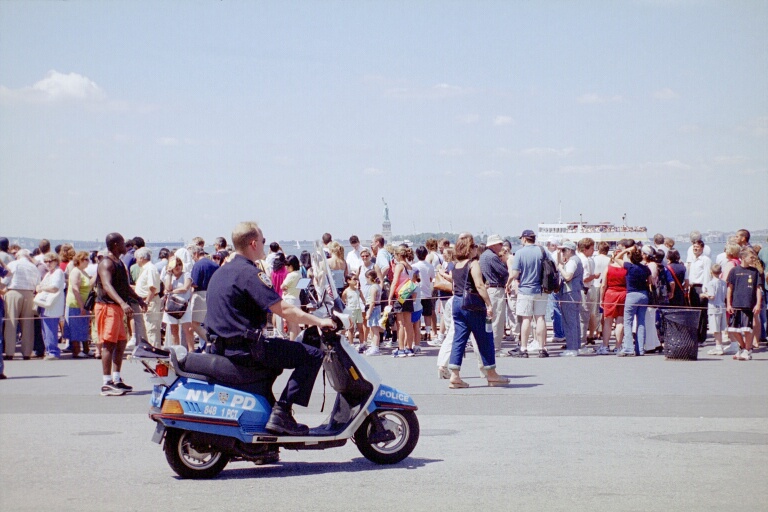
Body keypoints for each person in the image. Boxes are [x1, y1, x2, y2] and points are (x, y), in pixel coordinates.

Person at [205, 221, 334, 436]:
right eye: (263, 240)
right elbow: (283, 309)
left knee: (282, 353)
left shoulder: (221, 272)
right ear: (254, 243)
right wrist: (320, 322)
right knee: (312, 355)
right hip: (245, 350)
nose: (264, 244)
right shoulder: (249, 273)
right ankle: (282, 413)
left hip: (222, 347)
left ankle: (268, 415)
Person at [446, 233, 508, 388]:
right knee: (485, 337)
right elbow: (479, 285)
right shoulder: (473, 264)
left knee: (459, 339)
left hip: (457, 302)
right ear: (470, 248)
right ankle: (491, 374)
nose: (475, 249)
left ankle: (455, 375)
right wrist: (488, 304)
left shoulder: (456, 265)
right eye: (474, 246)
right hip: (472, 304)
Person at [95, 233, 146, 396]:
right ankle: (106, 382)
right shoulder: (106, 262)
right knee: (109, 343)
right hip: (107, 306)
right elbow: (107, 285)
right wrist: (123, 303)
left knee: (121, 342)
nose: (126, 245)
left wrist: (138, 299)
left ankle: (116, 379)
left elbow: (124, 286)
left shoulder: (119, 262)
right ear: (116, 244)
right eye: (123, 242)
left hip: (117, 307)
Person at [509, 229, 549, 358]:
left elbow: (515, 273)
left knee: (526, 319)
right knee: (540, 318)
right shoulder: (542, 251)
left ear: (524, 239)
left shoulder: (520, 253)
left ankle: (524, 348)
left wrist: (509, 281)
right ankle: (542, 348)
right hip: (541, 289)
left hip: (525, 290)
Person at [726, 249, 763, 361]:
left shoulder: (755, 272)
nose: (753, 259)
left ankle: (747, 350)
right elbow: (729, 288)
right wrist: (728, 304)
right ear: (743, 257)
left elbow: (758, 289)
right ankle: (743, 347)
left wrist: (758, 304)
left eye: (753, 257)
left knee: (747, 329)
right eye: (751, 257)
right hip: (736, 303)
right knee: (733, 329)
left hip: (748, 304)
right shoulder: (734, 271)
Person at [3, 249, 40, 359]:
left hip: (13, 292)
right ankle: (27, 353)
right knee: (28, 324)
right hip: (29, 294)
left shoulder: (13, 264)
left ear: (18, 255)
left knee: (11, 323)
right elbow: (37, 283)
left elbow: (5, 280)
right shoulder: (34, 267)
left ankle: (9, 352)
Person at [617, 246, 652, 356]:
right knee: (641, 322)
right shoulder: (646, 268)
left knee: (628, 322)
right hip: (643, 295)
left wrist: (625, 250)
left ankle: (628, 348)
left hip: (632, 294)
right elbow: (650, 282)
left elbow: (616, 258)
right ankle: (640, 349)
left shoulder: (629, 266)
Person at [479, 235, 508, 354]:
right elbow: (504, 272)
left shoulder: (483, 256)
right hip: (496, 288)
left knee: (488, 319)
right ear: (494, 245)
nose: (501, 246)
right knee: (497, 319)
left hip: (488, 288)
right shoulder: (492, 257)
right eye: (500, 244)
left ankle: (488, 345)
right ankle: (495, 347)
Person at [555, 241, 583, 356]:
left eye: (563, 250)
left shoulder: (572, 261)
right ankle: (577, 346)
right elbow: (560, 264)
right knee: (575, 321)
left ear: (569, 250)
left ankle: (572, 348)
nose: (562, 252)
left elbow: (567, 276)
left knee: (569, 321)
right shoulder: (576, 259)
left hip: (569, 293)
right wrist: (558, 256)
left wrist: (561, 268)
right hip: (575, 292)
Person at [388, 245, 416, 357]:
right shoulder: (410, 267)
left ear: (399, 255)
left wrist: (390, 296)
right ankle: (409, 348)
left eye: (395, 255)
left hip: (399, 296)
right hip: (408, 295)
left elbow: (395, 282)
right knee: (408, 323)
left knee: (400, 323)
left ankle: (401, 348)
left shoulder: (399, 266)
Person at [599, 244, 628, 354]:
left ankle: (605, 346)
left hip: (610, 294)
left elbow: (603, 285)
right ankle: (618, 346)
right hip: (623, 294)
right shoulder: (626, 268)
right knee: (620, 321)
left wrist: (601, 298)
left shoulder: (608, 268)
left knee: (608, 321)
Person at [37, 252, 66, 360]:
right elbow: (41, 285)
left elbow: (54, 287)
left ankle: (53, 352)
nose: (48, 263)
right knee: (45, 329)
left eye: (50, 261)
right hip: (45, 303)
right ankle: (49, 351)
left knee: (50, 328)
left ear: (56, 261)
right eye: (46, 261)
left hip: (52, 304)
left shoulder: (58, 272)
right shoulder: (49, 273)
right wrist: (39, 287)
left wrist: (41, 288)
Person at [163, 256, 195, 350]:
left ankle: (191, 351)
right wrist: (169, 274)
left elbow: (185, 288)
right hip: (172, 305)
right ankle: (176, 351)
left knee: (188, 330)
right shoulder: (169, 277)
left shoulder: (186, 275)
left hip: (183, 305)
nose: (178, 267)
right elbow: (168, 288)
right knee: (174, 330)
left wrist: (172, 291)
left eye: (179, 264)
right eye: (175, 265)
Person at [65, 251, 94, 357]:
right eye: (86, 259)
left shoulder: (83, 272)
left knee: (84, 326)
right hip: (75, 304)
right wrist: (81, 306)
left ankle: (86, 349)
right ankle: (76, 350)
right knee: (75, 327)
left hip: (84, 304)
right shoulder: (75, 272)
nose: (88, 261)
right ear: (80, 260)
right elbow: (75, 289)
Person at [190, 246, 219, 347]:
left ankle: (210, 341)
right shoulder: (215, 265)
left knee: (194, 324)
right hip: (214, 294)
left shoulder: (198, 265)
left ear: (196, 254)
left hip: (201, 294)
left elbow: (195, 283)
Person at [134, 248, 162, 347]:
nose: (136, 261)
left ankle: (154, 350)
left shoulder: (150, 269)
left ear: (141, 258)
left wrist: (146, 302)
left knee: (151, 329)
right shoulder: (145, 269)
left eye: (137, 258)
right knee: (146, 329)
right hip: (145, 301)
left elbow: (152, 288)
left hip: (150, 301)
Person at [704, 264, 728, 355]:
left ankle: (718, 347)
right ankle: (719, 345)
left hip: (714, 307)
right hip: (722, 306)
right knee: (720, 328)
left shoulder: (711, 283)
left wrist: (704, 294)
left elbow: (712, 296)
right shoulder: (723, 283)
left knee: (715, 329)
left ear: (711, 272)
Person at [280, 255, 303, 341]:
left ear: (291, 266)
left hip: (289, 300)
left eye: (287, 266)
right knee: (296, 325)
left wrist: (285, 288)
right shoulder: (299, 273)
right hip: (296, 300)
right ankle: (301, 342)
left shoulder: (291, 275)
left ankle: (292, 343)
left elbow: (282, 286)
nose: (286, 267)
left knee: (292, 325)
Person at [362, 269, 383, 355]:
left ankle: (376, 348)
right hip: (376, 308)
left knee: (375, 330)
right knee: (372, 328)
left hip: (374, 309)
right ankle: (373, 346)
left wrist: (369, 313)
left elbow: (372, 302)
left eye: (366, 278)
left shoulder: (373, 287)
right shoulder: (377, 286)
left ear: (369, 277)